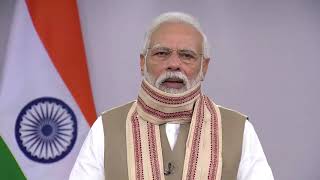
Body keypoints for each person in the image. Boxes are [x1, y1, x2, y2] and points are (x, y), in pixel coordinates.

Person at [69, 12, 274, 180]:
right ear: (143, 62)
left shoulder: (238, 129)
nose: (174, 64)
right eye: (162, 53)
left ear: (204, 66)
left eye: (187, 55)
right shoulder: (106, 127)